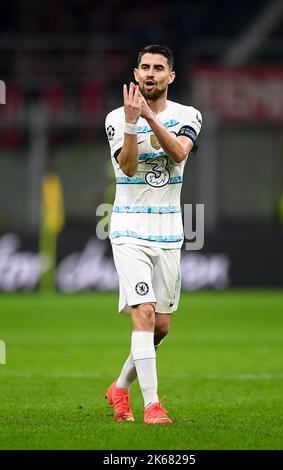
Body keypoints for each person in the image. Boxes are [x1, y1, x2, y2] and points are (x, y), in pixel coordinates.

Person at [104, 44, 202, 425]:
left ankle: (118, 387)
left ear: (170, 76)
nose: (150, 74)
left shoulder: (189, 114)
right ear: (135, 72)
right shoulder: (116, 117)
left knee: (160, 326)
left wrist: (148, 117)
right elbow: (127, 168)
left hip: (169, 232)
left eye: (158, 68)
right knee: (143, 313)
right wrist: (133, 123)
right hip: (128, 228)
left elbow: (178, 153)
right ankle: (151, 406)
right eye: (144, 67)